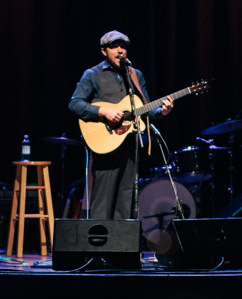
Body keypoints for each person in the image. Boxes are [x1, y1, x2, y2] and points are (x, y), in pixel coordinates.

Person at [69, 30, 172, 220]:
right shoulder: (92, 75)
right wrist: (103, 111)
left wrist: (162, 112)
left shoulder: (135, 75)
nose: (120, 50)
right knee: (103, 200)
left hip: (130, 144)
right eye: (114, 46)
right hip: (105, 145)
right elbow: (74, 104)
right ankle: (100, 246)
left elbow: (146, 108)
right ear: (103, 51)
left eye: (123, 46)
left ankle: (121, 247)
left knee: (126, 199)